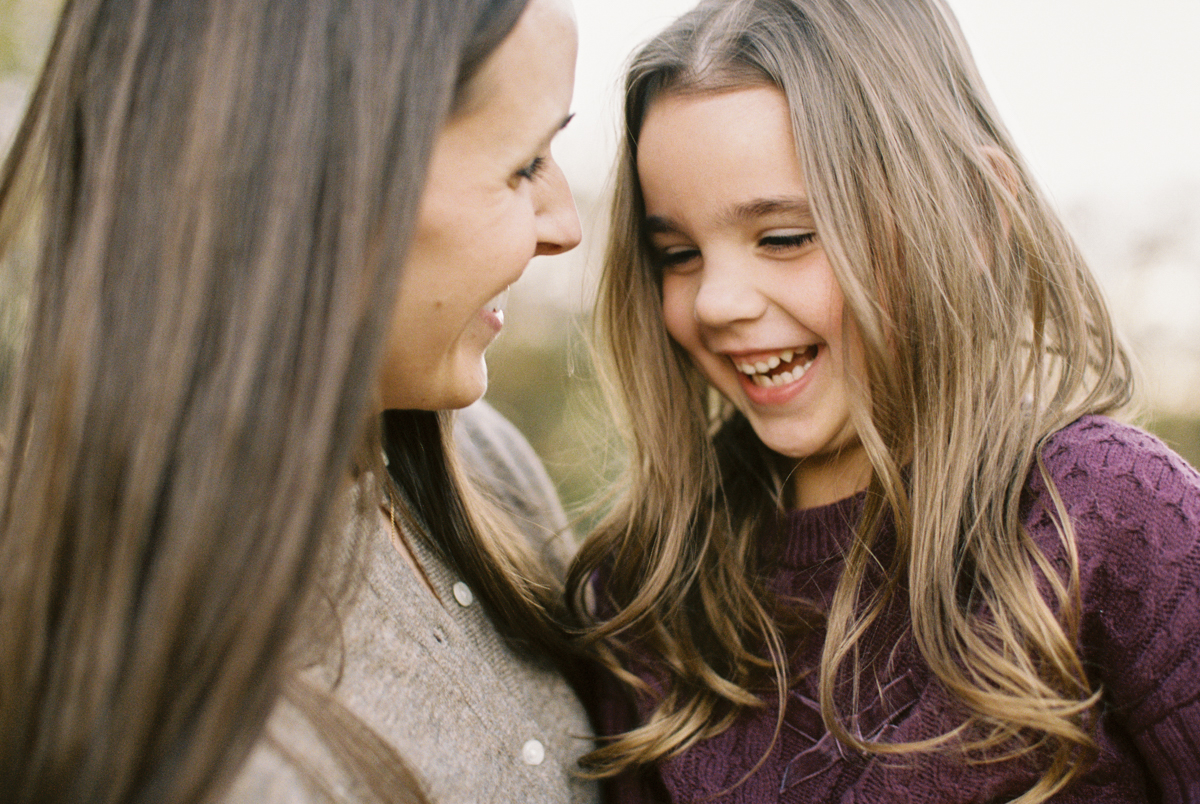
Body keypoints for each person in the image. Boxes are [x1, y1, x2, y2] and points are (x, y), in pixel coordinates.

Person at [567, 0, 1200, 801]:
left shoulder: (1113, 519)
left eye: (785, 237)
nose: (717, 301)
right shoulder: (646, 594)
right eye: (678, 254)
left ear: (972, 215)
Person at [0, 0, 594, 801]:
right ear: (317, 183)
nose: (565, 224)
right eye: (524, 165)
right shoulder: (201, 750)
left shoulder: (487, 464)